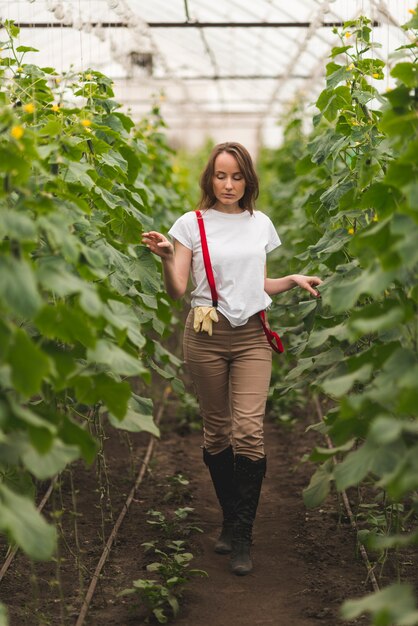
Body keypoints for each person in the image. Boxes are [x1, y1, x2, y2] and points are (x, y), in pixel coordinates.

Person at [142, 142, 322, 576]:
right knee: (218, 432)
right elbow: (178, 289)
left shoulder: (260, 223)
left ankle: (242, 533)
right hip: (205, 334)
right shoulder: (191, 223)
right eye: (221, 176)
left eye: (237, 176)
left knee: (249, 431)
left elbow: (252, 281)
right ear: (209, 178)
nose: (228, 184)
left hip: (252, 336)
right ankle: (229, 516)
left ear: (248, 180)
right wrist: (167, 258)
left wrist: (291, 279)